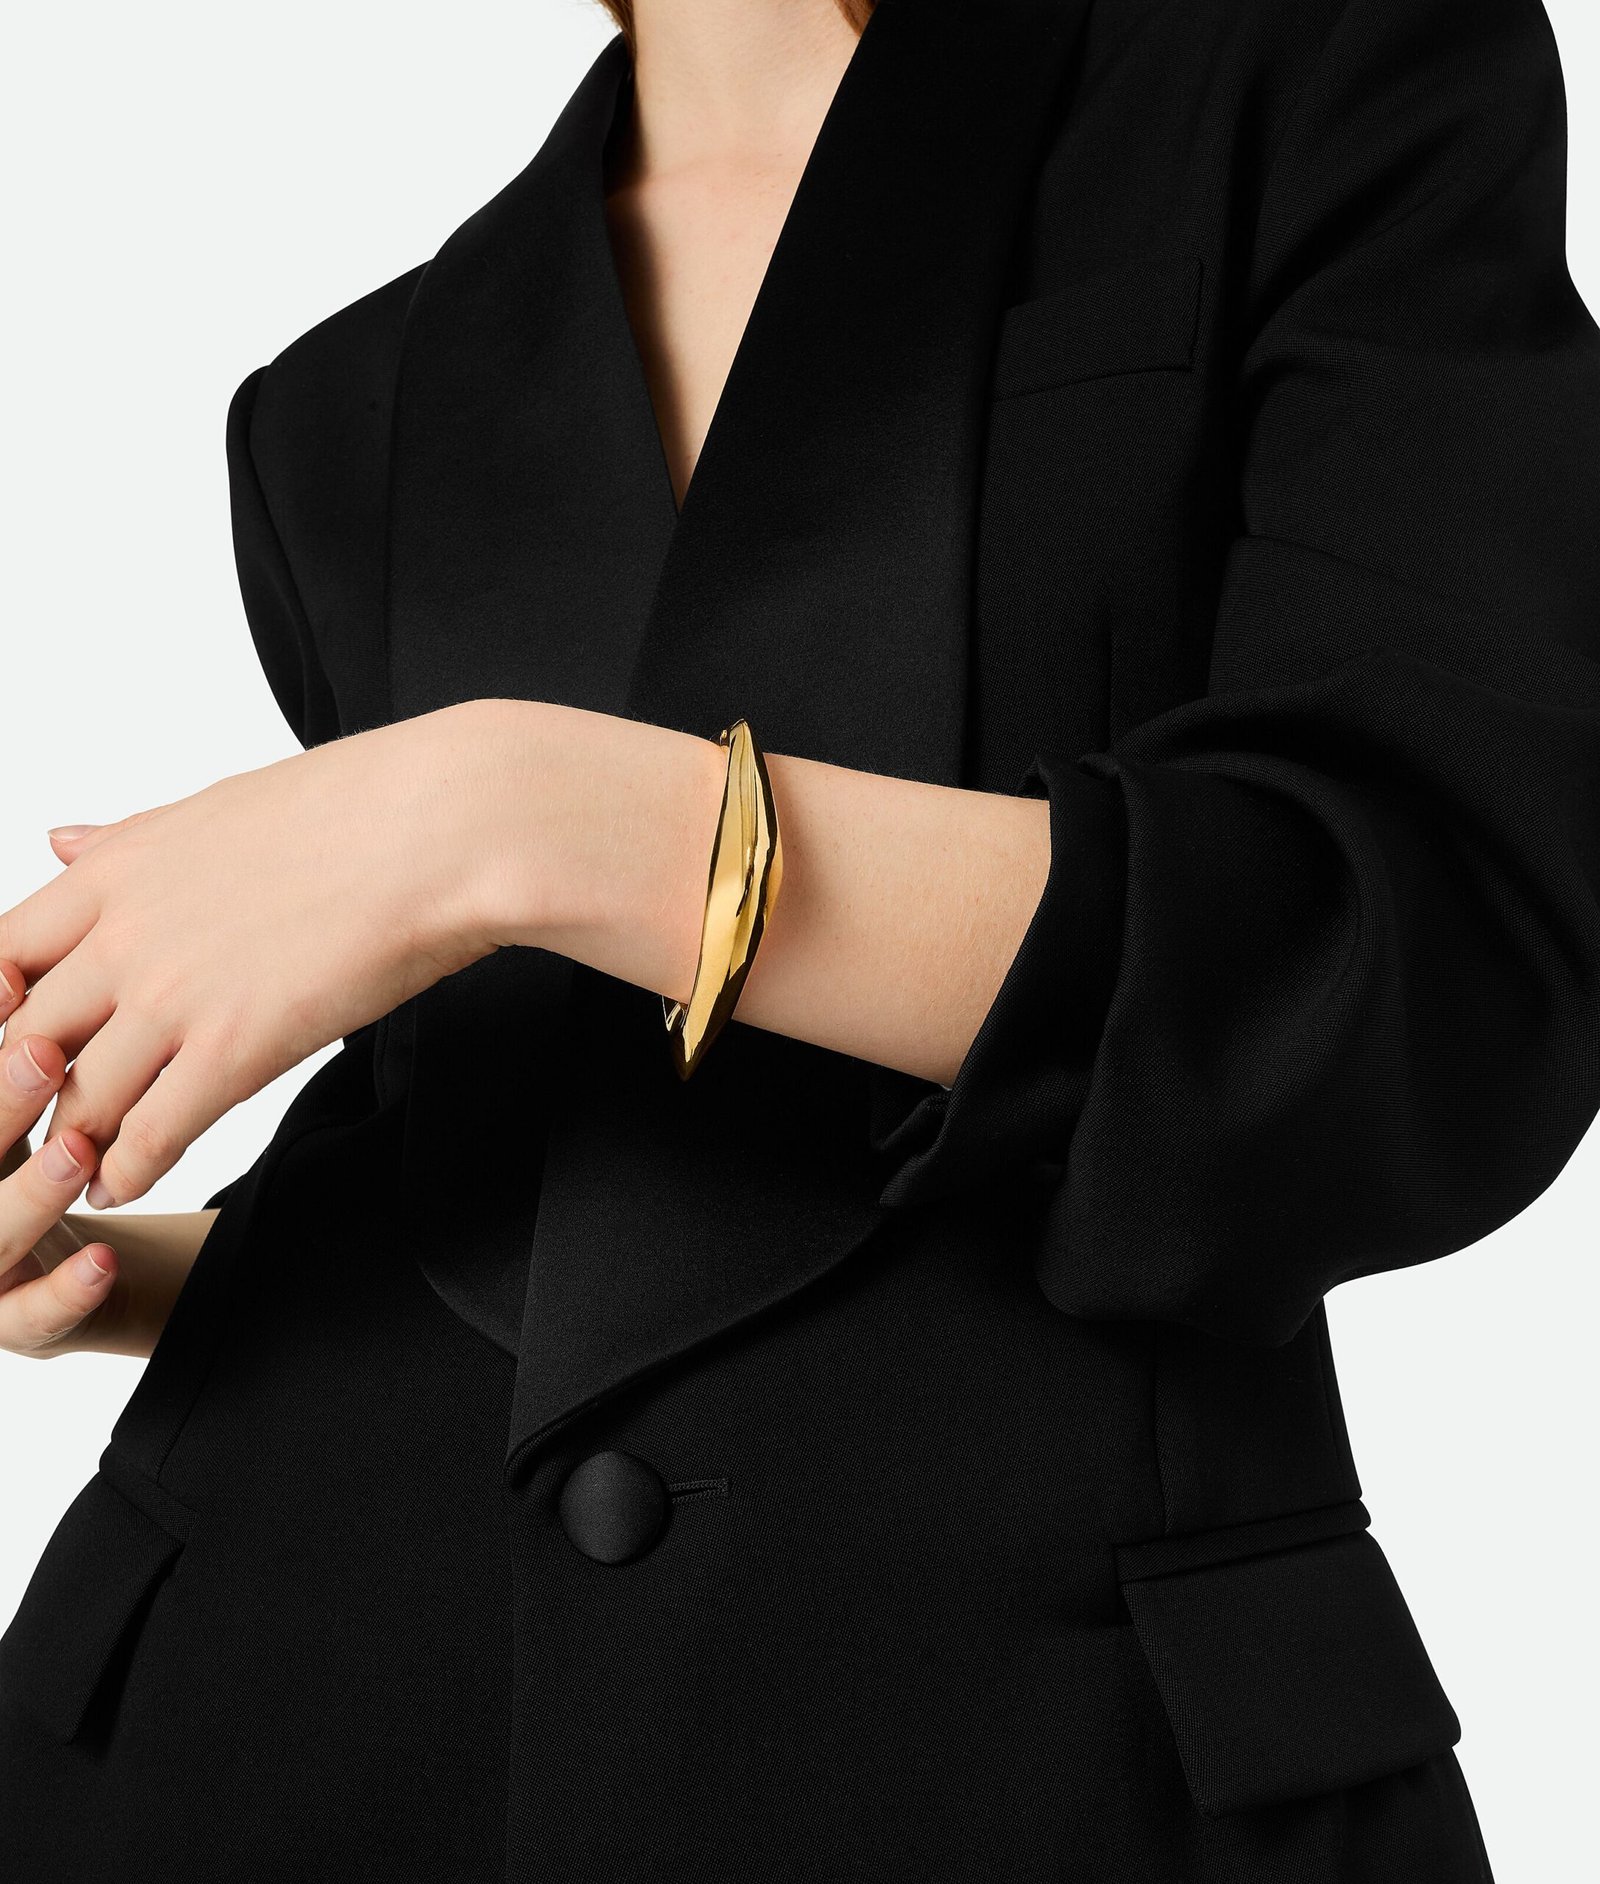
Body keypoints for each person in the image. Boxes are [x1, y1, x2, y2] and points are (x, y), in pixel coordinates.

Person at [1, 0, 1597, 1874]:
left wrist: (514, 813)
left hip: (1049, 1763)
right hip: (260, 1736)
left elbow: (1427, 972)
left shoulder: (1320, 76)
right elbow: (565, 1211)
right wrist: (100, 1246)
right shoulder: (345, 410)